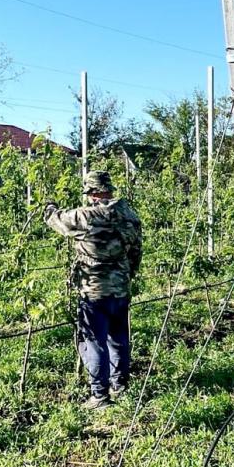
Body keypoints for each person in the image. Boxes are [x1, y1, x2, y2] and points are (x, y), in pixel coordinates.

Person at [44, 170, 142, 410]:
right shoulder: (128, 214)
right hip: (120, 287)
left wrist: (49, 206)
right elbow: (136, 251)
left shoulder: (85, 216)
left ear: (91, 193)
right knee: (118, 339)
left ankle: (99, 396)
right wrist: (127, 274)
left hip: (93, 289)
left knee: (92, 341)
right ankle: (120, 386)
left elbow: (55, 220)